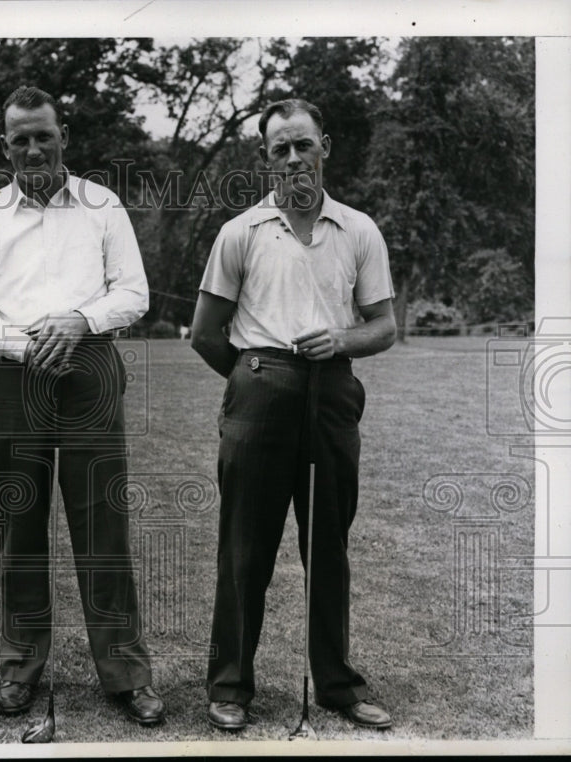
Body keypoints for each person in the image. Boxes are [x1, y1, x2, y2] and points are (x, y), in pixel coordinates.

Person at [0, 85, 165, 726]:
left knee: (103, 527)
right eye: (21, 138)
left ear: (63, 133)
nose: (34, 148)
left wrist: (77, 321)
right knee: (20, 525)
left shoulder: (103, 206)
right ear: (5, 144)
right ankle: (20, 666)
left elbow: (133, 293)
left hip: (89, 366)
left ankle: (125, 672)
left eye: (44, 135)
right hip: (10, 376)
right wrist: (23, 342)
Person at [191, 98, 397, 732]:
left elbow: (385, 325)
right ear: (265, 158)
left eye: (303, 145)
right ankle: (229, 685)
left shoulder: (359, 229)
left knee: (328, 546)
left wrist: (340, 341)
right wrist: (258, 377)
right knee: (244, 550)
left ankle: (336, 684)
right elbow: (205, 332)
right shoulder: (241, 232)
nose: (293, 158)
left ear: (324, 147)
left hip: (332, 394)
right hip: (258, 392)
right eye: (279, 148)